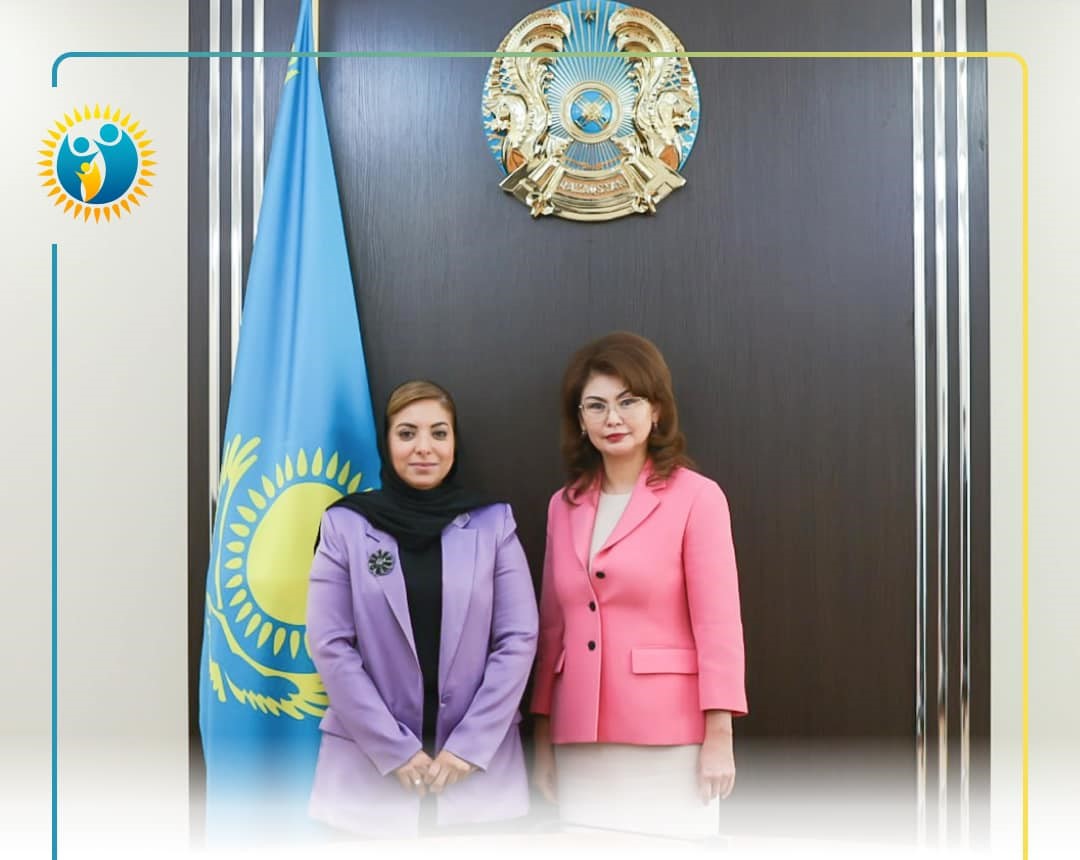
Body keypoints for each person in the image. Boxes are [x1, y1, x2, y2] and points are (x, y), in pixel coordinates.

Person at [530, 332, 748, 839]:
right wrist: (542, 737)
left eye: (628, 401)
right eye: (596, 405)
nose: (613, 418)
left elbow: (718, 626)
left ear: (657, 411)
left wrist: (719, 734)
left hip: (671, 739)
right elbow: (552, 629)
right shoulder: (563, 505)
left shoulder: (698, 497)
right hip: (579, 738)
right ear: (580, 420)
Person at [306, 380, 538, 837]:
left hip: (479, 778)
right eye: (407, 433)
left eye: (439, 432)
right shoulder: (345, 525)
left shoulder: (494, 523)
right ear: (386, 442)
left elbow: (518, 639)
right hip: (366, 780)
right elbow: (329, 644)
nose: (424, 448)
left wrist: (469, 747)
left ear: (455, 441)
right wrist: (394, 750)